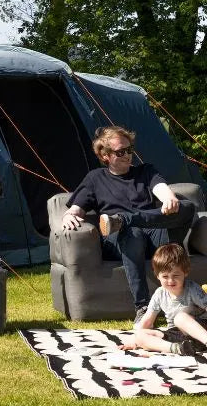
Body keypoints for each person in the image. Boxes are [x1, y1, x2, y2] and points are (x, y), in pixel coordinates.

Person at [61, 125, 197, 322]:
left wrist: (169, 198)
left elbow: (160, 187)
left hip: (154, 234)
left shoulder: (145, 171)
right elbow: (77, 207)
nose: (127, 155)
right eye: (120, 151)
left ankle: (125, 218)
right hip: (121, 239)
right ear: (105, 155)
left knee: (187, 207)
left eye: (129, 149)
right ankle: (142, 306)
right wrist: (69, 215)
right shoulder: (95, 178)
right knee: (132, 233)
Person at [119, 243, 207, 356]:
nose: (170, 281)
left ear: (185, 273)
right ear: (157, 275)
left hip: (200, 329)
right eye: (165, 277)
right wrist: (135, 339)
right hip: (178, 335)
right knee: (140, 335)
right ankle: (177, 348)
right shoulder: (160, 294)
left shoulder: (192, 288)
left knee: (180, 317)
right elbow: (147, 321)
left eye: (175, 276)